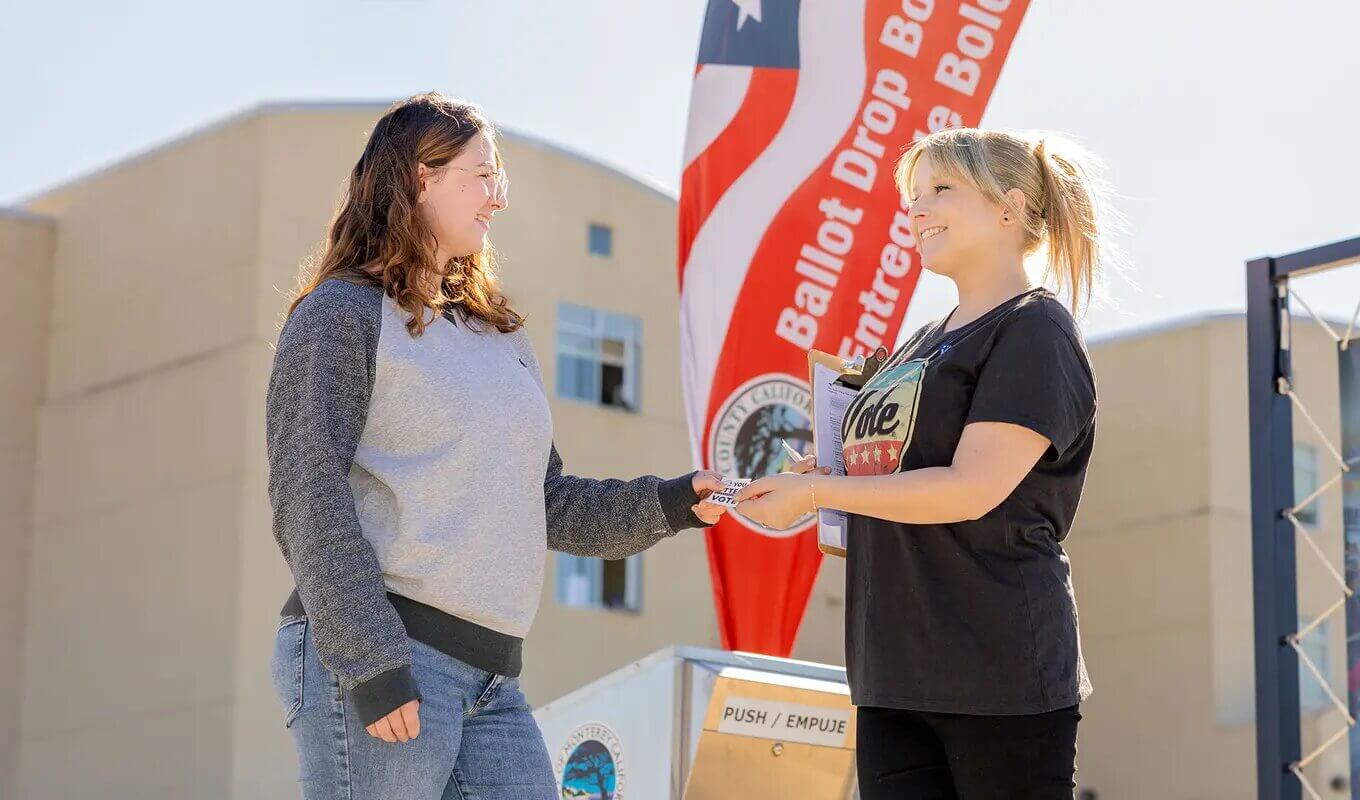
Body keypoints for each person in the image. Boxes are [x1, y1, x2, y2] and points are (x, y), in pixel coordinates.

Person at [265, 92, 728, 799]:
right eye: (483, 175)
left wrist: (672, 503)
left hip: (492, 679)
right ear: (422, 176)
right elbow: (307, 488)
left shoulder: (499, 337)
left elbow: (544, 502)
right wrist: (372, 661)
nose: (498, 197)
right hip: (387, 653)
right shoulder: (342, 314)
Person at [737, 128, 1114, 798]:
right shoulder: (917, 345)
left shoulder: (1034, 328)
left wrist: (824, 493)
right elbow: (883, 483)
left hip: (998, 672)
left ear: (1009, 206)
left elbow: (970, 489)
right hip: (890, 673)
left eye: (941, 189)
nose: (917, 209)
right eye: (913, 195)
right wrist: (817, 480)